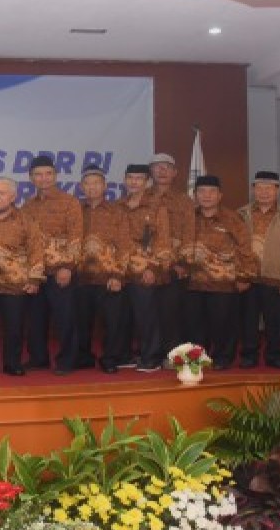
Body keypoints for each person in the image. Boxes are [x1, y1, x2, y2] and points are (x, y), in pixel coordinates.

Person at [183, 175, 258, 370]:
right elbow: (179, 245)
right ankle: (198, 357)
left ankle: (224, 357)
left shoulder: (232, 218)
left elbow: (245, 248)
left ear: (220, 195)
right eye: (202, 191)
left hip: (223, 281)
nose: (206, 196)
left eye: (211, 192)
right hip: (193, 282)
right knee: (194, 324)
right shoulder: (188, 217)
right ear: (195, 195)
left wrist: (244, 276)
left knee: (223, 323)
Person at [0, 177, 45, 376]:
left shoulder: (26, 220)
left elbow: (36, 250)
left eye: (1, 193)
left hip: (16, 283)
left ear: (13, 196)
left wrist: (34, 279)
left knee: (14, 327)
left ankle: (13, 363)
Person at [20, 154, 82, 374]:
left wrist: (67, 266)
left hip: (60, 271)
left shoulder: (69, 202)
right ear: (31, 178)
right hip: (36, 272)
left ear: (55, 176)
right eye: (38, 174)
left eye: (48, 174)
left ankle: (67, 361)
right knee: (36, 319)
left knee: (65, 319)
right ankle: (38, 358)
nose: (43, 178)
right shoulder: (27, 206)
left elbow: (76, 236)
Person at [237, 171, 280, 369]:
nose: (264, 192)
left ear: (278, 190)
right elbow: (233, 249)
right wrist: (238, 275)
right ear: (253, 189)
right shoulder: (240, 214)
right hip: (248, 278)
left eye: (269, 188)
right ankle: (249, 355)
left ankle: (275, 355)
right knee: (248, 321)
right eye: (259, 187)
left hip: (276, 278)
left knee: (276, 322)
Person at [73, 165, 133, 374]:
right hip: (80, 277)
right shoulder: (75, 210)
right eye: (87, 184)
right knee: (80, 321)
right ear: (81, 187)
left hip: (108, 277)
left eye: (96, 183)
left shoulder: (117, 212)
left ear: (105, 186)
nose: (92, 188)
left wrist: (118, 274)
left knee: (112, 322)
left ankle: (110, 358)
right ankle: (83, 357)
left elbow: (125, 245)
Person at [118, 164, 173, 372]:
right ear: (124, 180)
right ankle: (128, 355)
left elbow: (163, 241)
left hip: (144, 270)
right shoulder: (119, 206)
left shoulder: (156, 207)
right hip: (121, 270)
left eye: (139, 178)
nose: (134, 182)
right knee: (124, 317)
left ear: (147, 182)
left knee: (146, 315)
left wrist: (153, 268)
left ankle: (152, 357)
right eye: (130, 177)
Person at [144, 152, 196, 365]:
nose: (162, 170)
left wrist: (183, 263)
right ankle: (149, 354)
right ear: (151, 172)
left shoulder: (184, 201)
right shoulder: (142, 197)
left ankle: (172, 355)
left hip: (173, 266)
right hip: (145, 265)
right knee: (147, 312)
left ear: (175, 173)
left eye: (167, 167)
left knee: (171, 313)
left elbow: (190, 233)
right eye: (157, 167)